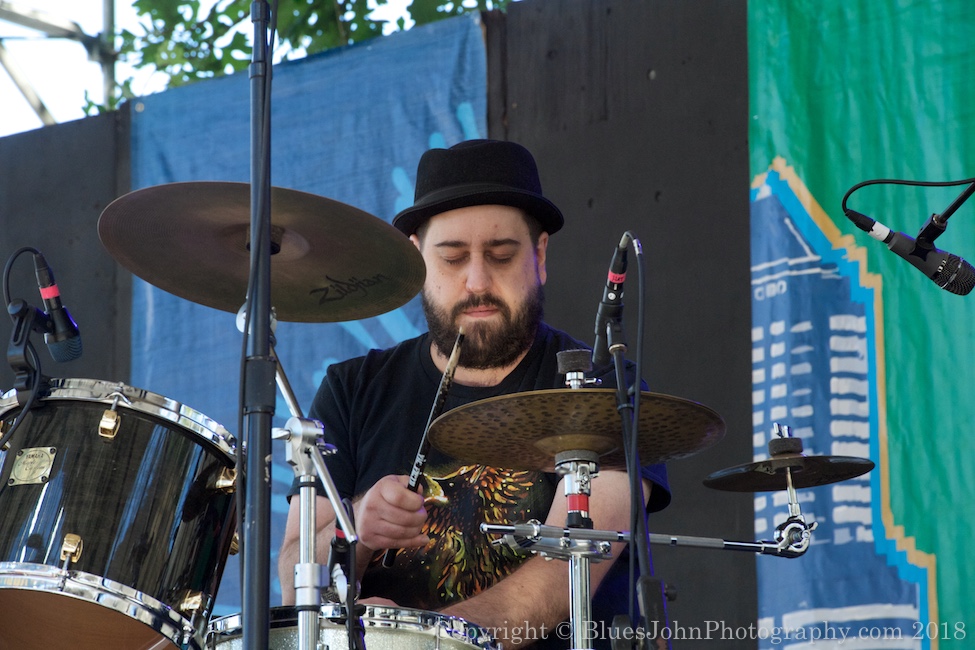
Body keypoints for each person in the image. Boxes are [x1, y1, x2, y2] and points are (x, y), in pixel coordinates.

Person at [278, 139, 670, 648]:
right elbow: (293, 579)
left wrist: (416, 642)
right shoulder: (352, 390)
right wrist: (355, 530)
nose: (477, 280)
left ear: (540, 255)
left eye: (501, 255)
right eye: (453, 258)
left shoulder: (606, 389)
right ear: (418, 260)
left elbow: (556, 585)